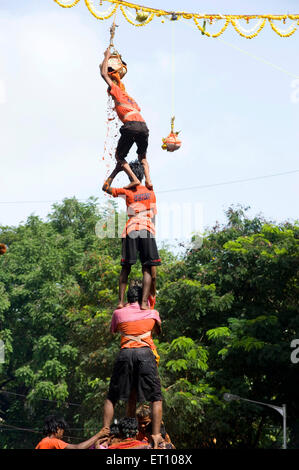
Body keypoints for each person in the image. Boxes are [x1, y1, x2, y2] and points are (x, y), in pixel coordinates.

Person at [100, 284, 164, 449]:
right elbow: (158, 331)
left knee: (112, 397)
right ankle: (156, 436)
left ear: (127, 298)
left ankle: (104, 433)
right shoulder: (152, 312)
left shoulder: (118, 313)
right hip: (145, 354)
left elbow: (113, 330)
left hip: (126, 354)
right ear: (142, 298)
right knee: (156, 398)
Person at [102, 159, 161, 310]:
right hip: (146, 229)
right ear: (142, 175)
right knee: (147, 268)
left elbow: (105, 187)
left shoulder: (126, 191)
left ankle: (121, 302)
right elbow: (153, 215)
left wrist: (116, 170)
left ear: (129, 177)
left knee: (126, 268)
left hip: (131, 230)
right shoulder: (150, 190)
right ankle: (143, 303)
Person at [100, 46, 153, 190]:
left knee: (119, 157)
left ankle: (135, 179)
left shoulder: (116, 90)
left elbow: (104, 74)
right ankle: (148, 180)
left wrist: (106, 56)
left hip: (131, 125)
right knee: (142, 156)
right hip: (143, 126)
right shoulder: (129, 97)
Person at [35, 415, 110, 449]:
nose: (63, 433)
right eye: (63, 430)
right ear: (58, 429)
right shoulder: (53, 442)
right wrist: (98, 435)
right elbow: (78, 448)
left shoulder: (43, 442)